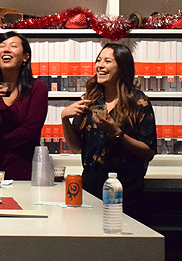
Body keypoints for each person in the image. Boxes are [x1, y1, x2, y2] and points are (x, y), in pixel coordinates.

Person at [61, 42, 157, 221]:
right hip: (91, 185)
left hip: (125, 188)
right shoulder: (91, 100)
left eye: (108, 61)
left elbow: (149, 152)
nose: (100, 66)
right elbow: (76, 148)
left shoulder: (138, 102)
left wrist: (117, 133)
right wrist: (64, 118)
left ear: (122, 67)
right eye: (98, 60)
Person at [0, 32, 48, 180]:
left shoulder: (37, 88)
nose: (6, 50)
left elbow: (30, 130)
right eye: (2, 46)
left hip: (26, 173)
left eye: (13, 46)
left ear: (25, 57)